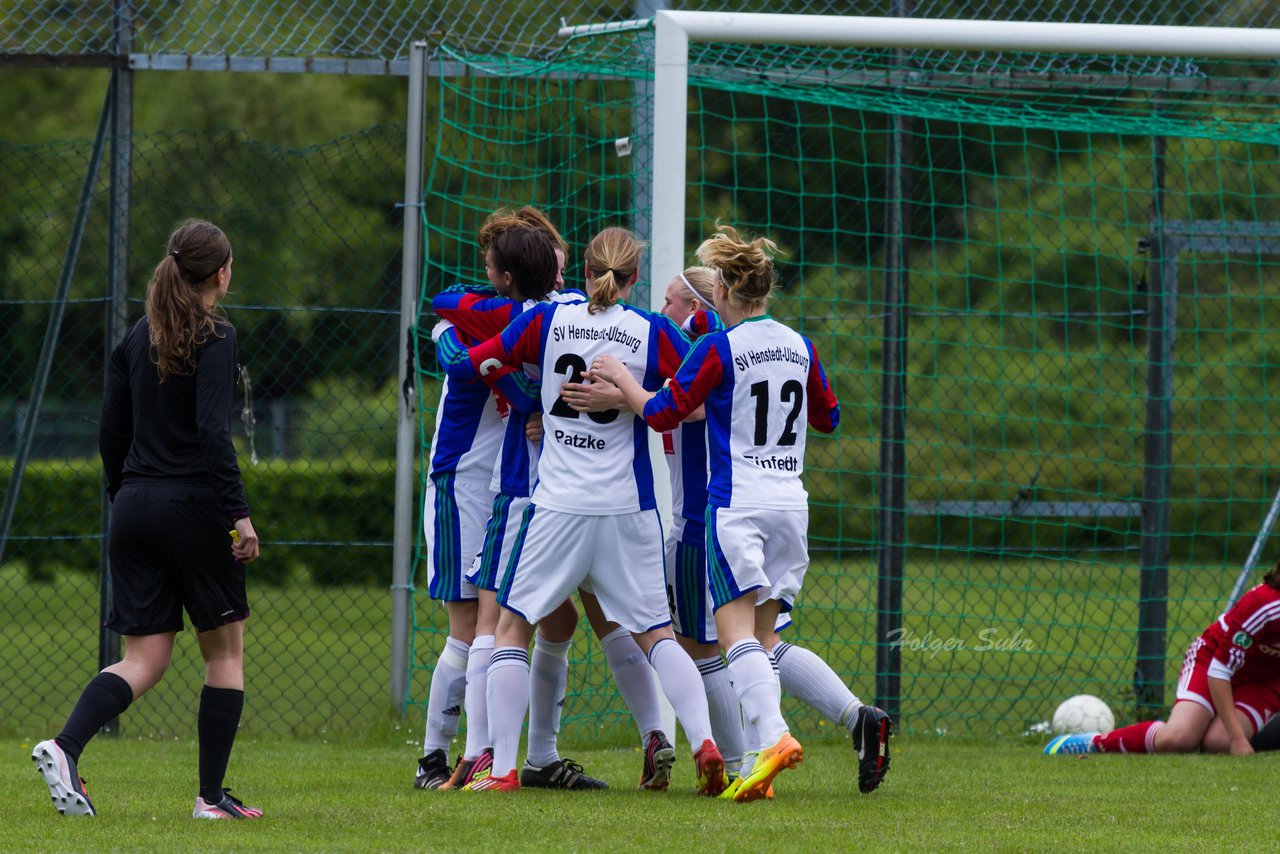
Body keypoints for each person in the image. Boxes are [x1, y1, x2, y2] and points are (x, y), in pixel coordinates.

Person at [588, 224, 889, 802]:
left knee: (733, 639)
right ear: (767, 290)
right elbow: (829, 417)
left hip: (738, 504)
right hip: (791, 504)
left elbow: (663, 413)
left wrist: (623, 378)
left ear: (722, 289)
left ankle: (768, 740)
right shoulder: (801, 345)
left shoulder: (718, 347)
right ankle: (765, 758)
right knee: (764, 635)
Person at [440, 226, 727, 794]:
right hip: (629, 509)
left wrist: (520, 392)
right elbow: (697, 394)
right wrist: (630, 398)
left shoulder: (546, 322)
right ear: (634, 277)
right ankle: (703, 742)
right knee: (657, 634)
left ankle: (500, 771)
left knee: (512, 629)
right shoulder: (650, 329)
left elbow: (479, 363)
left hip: (558, 507)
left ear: (584, 270)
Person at [32, 219, 263, 820]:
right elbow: (214, 433)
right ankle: (210, 800)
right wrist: (239, 517)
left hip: (133, 507)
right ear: (221, 273)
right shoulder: (217, 335)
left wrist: (125, 494)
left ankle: (65, 746)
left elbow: (111, 429)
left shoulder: (139, 335)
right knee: (224, 656)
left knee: (144, 659)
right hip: (191, 509)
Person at [414, 217, 559, 790]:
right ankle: (436, 757)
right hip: (459, 482)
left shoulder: (526, 313)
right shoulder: (504, 312)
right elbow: (447, 304)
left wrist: (446, 332)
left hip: (500, 484)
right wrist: (448, 331)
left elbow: (448, 311)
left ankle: (509, 754)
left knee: (508, 620)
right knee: (471, 624)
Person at [1046, 563, 1280, 756]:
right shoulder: (1265, 604)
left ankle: (1216, 732)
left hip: (1265, 682)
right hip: (1212, 663)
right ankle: (1096, 742)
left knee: (1217, 744)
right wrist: (1238, 738)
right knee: (1179, 739)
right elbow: (1220, 670)